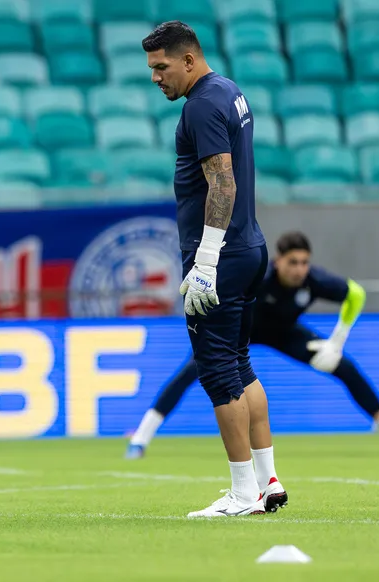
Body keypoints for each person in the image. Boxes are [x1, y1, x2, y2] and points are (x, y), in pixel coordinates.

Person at [143, 22, 285, 518]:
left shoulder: (201, 104)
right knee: (240, 364)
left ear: (188, 60)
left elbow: (221, 184)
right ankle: (267, 480)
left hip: (220, 256)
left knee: (218, 370)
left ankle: (244, 493)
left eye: (161, 67)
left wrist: (205, 261)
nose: (156, 78)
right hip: (250, 245)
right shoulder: (228, 89)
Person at [126, 231, 379, 458]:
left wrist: (336, 342)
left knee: (344, 367)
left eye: (304, 262)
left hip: (284, 333)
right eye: (292, 262)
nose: (299, 269)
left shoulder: (313, 281)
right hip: (239, 333)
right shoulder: (259, 278)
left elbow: (356, 294)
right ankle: (141, 438)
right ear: (278, 260)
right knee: (191, 372)